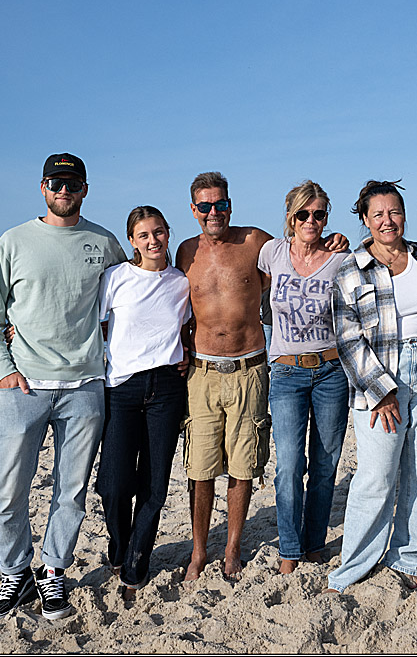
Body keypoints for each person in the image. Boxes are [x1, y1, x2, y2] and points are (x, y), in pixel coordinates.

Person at [0, 153, 128, 623]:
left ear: (84, 190)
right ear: (43, 187)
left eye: (72, 184)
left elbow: (130, 298)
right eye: (56, 183)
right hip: (24, 388)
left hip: (85, 387)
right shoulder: (13, 242)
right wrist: (4, 370)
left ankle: (53, 570)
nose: (64, 191)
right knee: (7, 490)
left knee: (71, 491)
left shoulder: (105, 243)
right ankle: (15, 572)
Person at [176, 172, 347, 581]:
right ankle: (199, 552)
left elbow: (298, 256)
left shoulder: (256, 242)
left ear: (230, 205)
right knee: (201, 468)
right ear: (194, 210)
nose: (214, 212)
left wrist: (332, 240)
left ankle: (233, 549)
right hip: (202, 371)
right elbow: (163, 296)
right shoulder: (184, 251)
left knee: (244, 464)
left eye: (220, 204)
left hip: (251, 367)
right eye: (205, 206)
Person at [326, 180, 417, 593]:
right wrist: (379, 390)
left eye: (394, 211)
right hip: (382, 374)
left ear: (404, 214)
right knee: (376, 475)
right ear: (365, 220)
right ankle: (353, 567)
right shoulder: (350, 269)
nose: (388, 221)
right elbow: (347, 338)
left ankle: (409, 556)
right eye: (378, 214)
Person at [95, 206, 191, 603]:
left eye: (159, 232)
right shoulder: (116, 278)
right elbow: (89, 322)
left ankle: (137, 561)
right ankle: (119, 546)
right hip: (122, 388)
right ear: (132, 241)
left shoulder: (181, 281)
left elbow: (190, 326)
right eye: (144, 235)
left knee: (154, 484)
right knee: (113, 484)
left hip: (167, 388)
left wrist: (188, 350)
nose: (153, 240)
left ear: (168, 233)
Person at [257, 181, 350, 575]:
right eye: (303, 214)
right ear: (290, 217)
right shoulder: (271, 253)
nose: (311, 221)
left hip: (331, 371)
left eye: (319, 214)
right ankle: (289, 550)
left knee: (325, 465)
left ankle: (314, 544)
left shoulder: (340, 258)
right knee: (290, 465)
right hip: (286, 372)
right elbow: (249, 291)